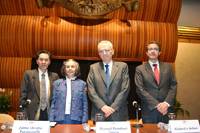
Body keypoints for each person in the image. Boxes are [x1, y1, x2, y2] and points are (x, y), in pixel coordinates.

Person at [135, 41, 177, 124]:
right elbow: (140, 89)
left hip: (167, 110)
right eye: (150, 49)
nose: (153, 51)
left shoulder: (168, 67)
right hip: (149, 111)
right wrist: (158, 105)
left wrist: (165, 104)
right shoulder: (140, 69)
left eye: (155, 49)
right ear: (147, 53)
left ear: (159, 52)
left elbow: (173, 85)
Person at [87, 40, 130, 122]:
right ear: (99, 54)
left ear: (112, 51)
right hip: (100, 112)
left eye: (107, 50)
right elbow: (91, 90)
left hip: (118, 112)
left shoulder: (123, 66)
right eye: (101, 51)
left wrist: (113, 108)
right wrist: (102, 106)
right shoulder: (93, 68)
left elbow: (125, 89)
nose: (104, 53)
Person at [18, 50, 59, 120]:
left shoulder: (54, 76)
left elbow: (58, 96)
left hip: (49, 113)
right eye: (41, 60)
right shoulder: (28, 74)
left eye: (46, 60)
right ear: (37, 61)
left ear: (49, 62)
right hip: (32, 113)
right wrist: (23, 114)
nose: (43, 62)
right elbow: (23, 95)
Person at [49, 59, 88, 124]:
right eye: (68, 67)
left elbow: (84, 104)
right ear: (64, 69)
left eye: (72, 66)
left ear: (76, 69)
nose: (70, 68)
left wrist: (84, 121)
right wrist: (51, 120)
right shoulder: (57, 83)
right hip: (59, 118)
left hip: (77, 119)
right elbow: (53, 103)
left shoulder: (82, 84)